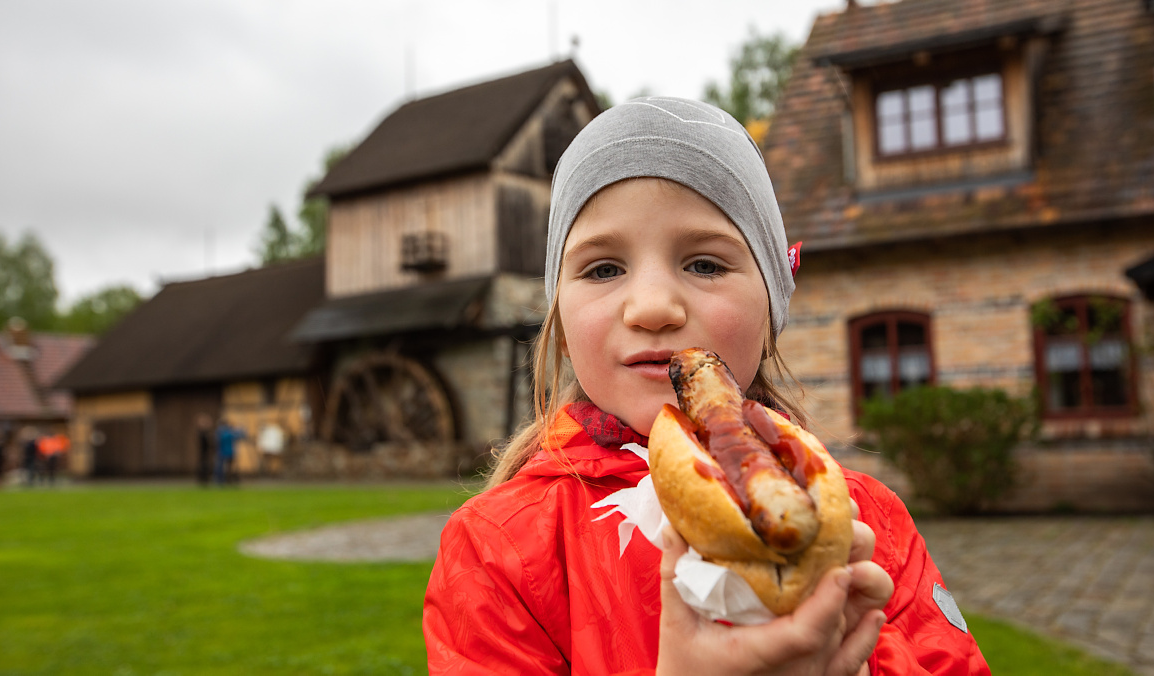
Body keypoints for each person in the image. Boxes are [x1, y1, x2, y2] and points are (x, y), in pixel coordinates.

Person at [423, 98, 990, 675]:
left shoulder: (871, 519)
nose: (652, 308)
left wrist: (860, 656)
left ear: (770, 311)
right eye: (603, 269)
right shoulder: (497, 550)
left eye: (705, 265)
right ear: (562, 327)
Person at [214, 418, 245, 485]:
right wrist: (241, 429)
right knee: (228, 468)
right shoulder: (229, 432)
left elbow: (216, 441)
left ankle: (221, 480)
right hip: (229, 452)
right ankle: (228, 480)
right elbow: (240, 436)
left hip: (222, 452)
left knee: (221, 467)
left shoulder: (220, 432)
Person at [196, 414, 214, 486]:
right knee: (204, 465)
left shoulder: (205, 433)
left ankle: (204, 479)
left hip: (205, 453)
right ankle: (203, 479)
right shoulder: (203, 434)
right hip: (203, 453)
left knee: (205, 465)